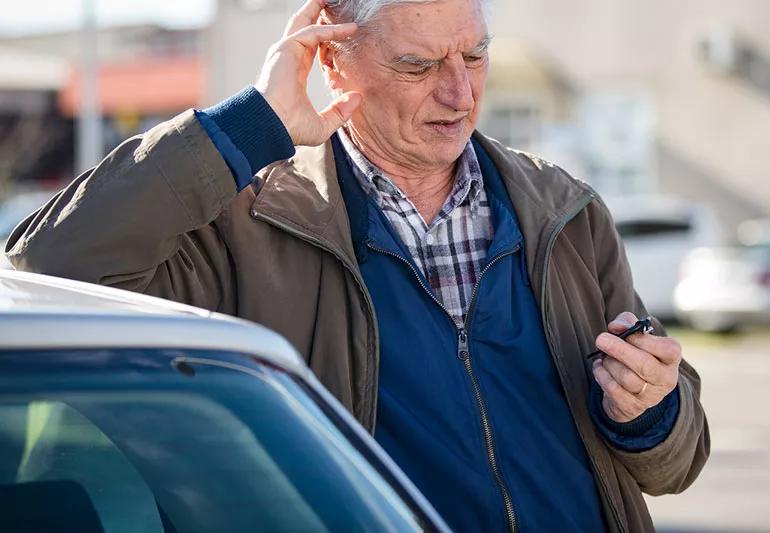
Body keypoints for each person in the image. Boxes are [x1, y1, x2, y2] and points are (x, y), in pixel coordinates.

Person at [6, 0, 709, 531]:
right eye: (419, 65)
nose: (460, 94)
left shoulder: (564, 209)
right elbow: (45, 267)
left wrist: (650, 412)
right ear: (334, 63)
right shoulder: (246, 225)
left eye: (474, 57)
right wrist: (252, 125)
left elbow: (675, 463)